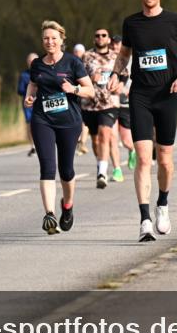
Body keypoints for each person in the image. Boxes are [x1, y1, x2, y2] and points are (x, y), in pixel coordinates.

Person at [108, 0, 177, 242]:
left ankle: (163, 204)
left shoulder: (174, 21)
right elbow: (124, 54)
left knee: (165, 160)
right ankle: (145, 219)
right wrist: (116, 73)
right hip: (141, 96)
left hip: (167, 95)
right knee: (144, 158)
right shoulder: (131, 23)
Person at [23, 21, 95, 235]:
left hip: (69, 122)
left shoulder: (73, 62)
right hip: (42, 119)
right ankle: (49, 214)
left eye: (53, 38)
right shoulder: (37, 64)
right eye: (46, 38)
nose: (50, 42)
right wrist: (29, 96)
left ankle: (68, 205)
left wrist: (74, 89)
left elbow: (90, 90)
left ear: (62, 40)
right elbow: (33, 84)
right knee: (47, 167)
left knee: (66, 170)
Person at [82, 27, 124, 188]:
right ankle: (101, 163)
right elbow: (77, 76)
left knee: (105, 133)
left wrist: (120, 84)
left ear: (108, 39)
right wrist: (90, 78)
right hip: (90, 104)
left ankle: (102, 173)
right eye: (97, 35)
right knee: (95, 140)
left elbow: (125, 74)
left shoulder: (116, 56)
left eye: (103, 35)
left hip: (109, 103)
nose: (100, 37)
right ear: (94, 39)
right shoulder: (87, 56)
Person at [109, 34, 133, 179]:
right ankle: (117, 170)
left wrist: (127, 89)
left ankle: (132, 150)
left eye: (118, 44)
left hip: (125, 103)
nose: (115, 47)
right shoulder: (107, 59)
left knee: (126, 141)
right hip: (110, 104)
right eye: (113, 44)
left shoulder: (131, 60)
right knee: (112, 137)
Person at [17, 52, 38, 156]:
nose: (31, 63)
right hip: (29, 103)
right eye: (29, 61)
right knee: (30, 123)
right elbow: (20, 90)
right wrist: (29, 91)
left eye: (33, 61)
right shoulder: (24, 75)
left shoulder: (43, 72)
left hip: (41, 101)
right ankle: (33, 146)